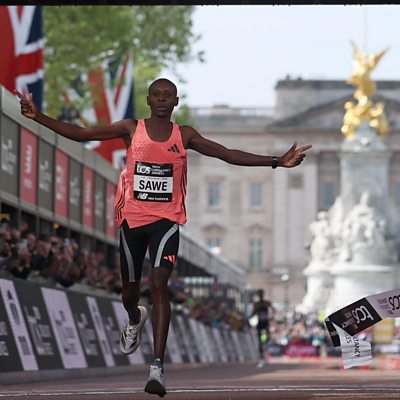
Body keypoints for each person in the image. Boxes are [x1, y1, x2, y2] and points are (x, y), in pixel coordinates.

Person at [15, 79, 311, 396]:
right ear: (148, 100)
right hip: (132, 221)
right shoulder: (131, 128)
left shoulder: (184, 135)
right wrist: (38, 116)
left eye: (167, 96)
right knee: (129, 294)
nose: (161, 100)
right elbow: (82, 134)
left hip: (166, 222)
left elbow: (227, 154)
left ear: (175, 102)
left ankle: (157, 367)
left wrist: (276, 161)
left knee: (158, 284)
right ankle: (134, 318)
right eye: (156, 95)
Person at [250, 289, 273, 368]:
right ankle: (261, 357)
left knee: (267, 337)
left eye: (261, 294)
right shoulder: (256, 304)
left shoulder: (266, 302)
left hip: (266, 323)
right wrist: (249, 318)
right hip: (260, 323)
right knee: (260, 340)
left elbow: (272, 309)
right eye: (259, 294)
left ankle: (265, 343)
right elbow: (253, 313)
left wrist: (271, 316)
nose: (260, 295)